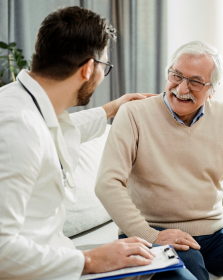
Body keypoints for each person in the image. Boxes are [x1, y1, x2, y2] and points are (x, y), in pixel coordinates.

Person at [0, 6, 196, 280]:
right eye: (104, 66)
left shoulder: (24, 104)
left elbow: (58, 131)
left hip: (57, 257)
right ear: (88, 68)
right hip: (44, 270)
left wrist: (112, 108)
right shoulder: (16, 127)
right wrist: (89, 260)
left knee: (170, 268)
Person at [96, 40, 223, 280]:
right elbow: (107, 183)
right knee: (190, 271)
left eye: (196, 82)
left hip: (213, 235)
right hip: (151, 234)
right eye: (176, 76)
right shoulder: (133, 114)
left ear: (212, 90)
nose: (182, 88)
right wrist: (150, 235)